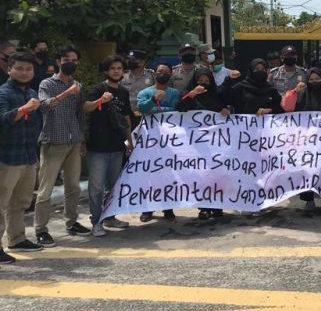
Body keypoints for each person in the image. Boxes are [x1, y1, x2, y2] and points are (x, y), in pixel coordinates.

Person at [0, 52, 44, 264]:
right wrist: (23, 109)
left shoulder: (32, 92)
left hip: (28, 155)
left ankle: (17, 239)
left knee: (20, 202)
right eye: (19, 68)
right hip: (7, 157)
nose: (24, 72)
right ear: (9, 69)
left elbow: (37, 122)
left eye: (28, 69)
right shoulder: (2, 93)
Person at [35, 45, 90, 246]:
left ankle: (72, 222)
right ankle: (41, 229)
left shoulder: (79, 85)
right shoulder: (47, 83)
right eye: (67, 59)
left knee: (73, 187)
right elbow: (44, 106)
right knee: (45, 189)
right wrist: (66, 93)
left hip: (73, 141)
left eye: (75, 60)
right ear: (59, 61)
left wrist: (82, 139)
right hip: (53, 141)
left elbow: (79, 114)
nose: (71, 63)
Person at [82, 55, 133, 237]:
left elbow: (126, 117)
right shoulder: (98, 89)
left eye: (119, 68)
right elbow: (86, 107)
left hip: (117, 145)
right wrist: (100, 101)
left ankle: (111, 216)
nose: (116, 71)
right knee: (96, 187)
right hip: (98, 146)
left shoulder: (124, 92)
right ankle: (96, 221)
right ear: (106, 71)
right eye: (112, 68)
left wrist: (129, 141)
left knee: (113, 185)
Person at [282, 68, 321, 211]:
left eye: (317, 79)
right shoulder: (302, 94)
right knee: (308, 170)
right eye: (311, 80)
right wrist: (294, 92)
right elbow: (287, 107)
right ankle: (309, 200)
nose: (315, 82)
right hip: (306, 141)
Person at [177, 67, 231, 220]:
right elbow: (180, 108)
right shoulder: (187, 94)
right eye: (200, 81)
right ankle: (204, 207)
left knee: (217, 174)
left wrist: (224, 109)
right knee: (201, 176)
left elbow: (225, 106)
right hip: (195, 144)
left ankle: (217, 205)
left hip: (216, 143)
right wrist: (192, 95)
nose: (204, 84)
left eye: (207, 81)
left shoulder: (217, 93)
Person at [137, 63, 181, 222]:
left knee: (167, 174)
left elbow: (176, 109)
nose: (163, 74)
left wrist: (156, 109)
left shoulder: (176, 93)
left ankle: (167, 207)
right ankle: (147, 208)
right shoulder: (145, 92)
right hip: (149, 139)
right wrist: (154, 100)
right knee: (148, 174)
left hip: (170, 139)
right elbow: (142, 108)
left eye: (166, 72)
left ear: (171, 75)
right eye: (160, 71)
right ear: (154, 73)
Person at [121, 49, 154, 129]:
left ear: (142, 62)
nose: (129, 62)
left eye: (133, 60)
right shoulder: (122, 77)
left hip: (146, 117)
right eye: (129, 59)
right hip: (127, 117)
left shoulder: (152, 76)